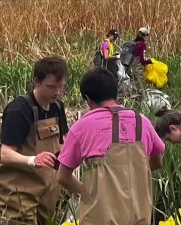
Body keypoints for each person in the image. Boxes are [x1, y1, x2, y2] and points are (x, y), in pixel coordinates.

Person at [56, 68, 165, 225]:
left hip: (100, 217)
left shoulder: (82, 126)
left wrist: (88, 194)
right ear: (115, 93)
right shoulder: (142, 122)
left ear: (88, 99)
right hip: (139, 215)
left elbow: (63, 176)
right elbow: (158, 161)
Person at [0, 56, 70, 225]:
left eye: (61, 87)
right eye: (51, 87)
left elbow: (63, 142)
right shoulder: (19, 110)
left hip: (47, 186)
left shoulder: (58, 107)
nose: (56, 92)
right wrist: (34, 160)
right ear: (37, 82)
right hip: (17, 188)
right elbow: (5, 154)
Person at [130, 27, 152, 92]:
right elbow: (142, 59)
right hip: (138, 67)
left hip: (131, 66)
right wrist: (149, 61)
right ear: (144, 36)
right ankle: (141, 99)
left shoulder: (133, 43)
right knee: (140, 84)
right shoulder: (142, 45)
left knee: (133, 83)